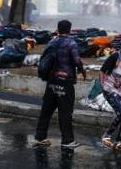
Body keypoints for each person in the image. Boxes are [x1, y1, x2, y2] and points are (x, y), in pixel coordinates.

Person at [34, 20, 86, 149]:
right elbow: (76, 60)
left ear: (58, 29)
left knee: (46, 110)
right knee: (65, 112)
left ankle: (40, 137)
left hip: (52, 81)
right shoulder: (71, 43)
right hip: (65, 82)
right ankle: (67, 140)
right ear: (69, 30)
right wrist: (82, 69)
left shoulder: (52, 42)